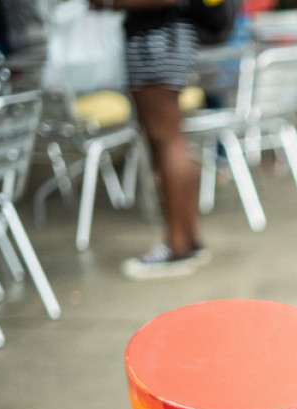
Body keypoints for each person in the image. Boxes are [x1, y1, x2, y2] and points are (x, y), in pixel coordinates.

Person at [95, 0, 208, 279]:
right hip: (169, 38)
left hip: (155, 41)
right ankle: (189, 239)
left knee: (166, 141)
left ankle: (176, 246)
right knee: (172, 140)